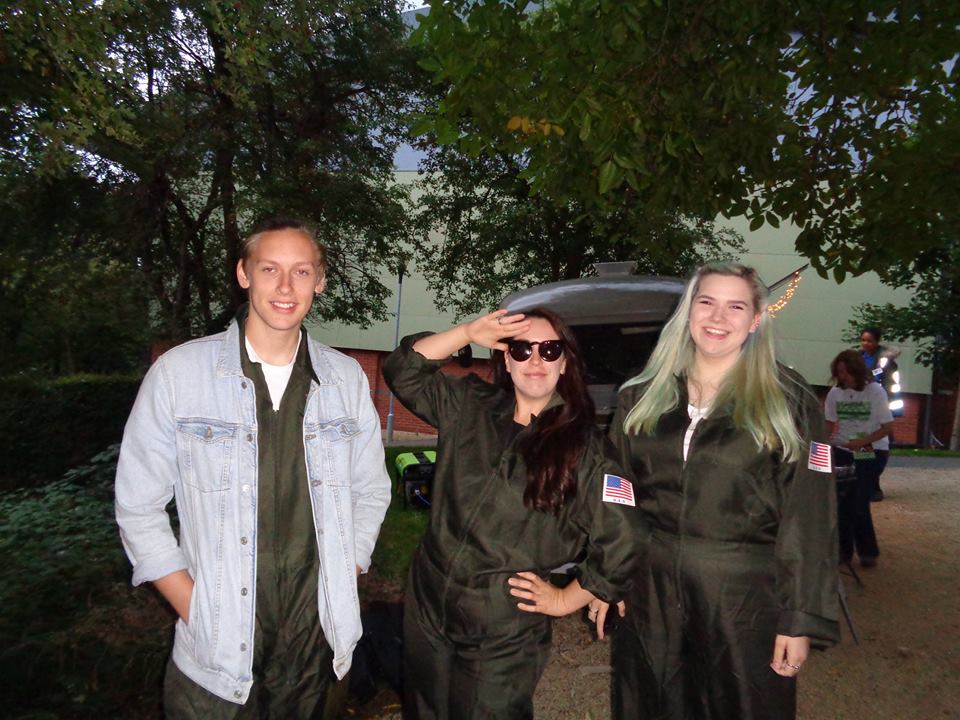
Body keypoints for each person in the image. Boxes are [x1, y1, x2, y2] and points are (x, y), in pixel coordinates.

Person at [115, 218, 391, 717]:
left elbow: (370, 490)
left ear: (319, 281)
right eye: (269, 269)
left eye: (301, 271)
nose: (285, 287)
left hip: (319, 653)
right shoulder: (179, 374)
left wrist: (346, 570)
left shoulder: (345, 378)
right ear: (244, 274)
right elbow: (137, 506)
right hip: (216, 662)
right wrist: (194, 607)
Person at [601, 262, 840, 720]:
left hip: (743, 595)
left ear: (755, 320)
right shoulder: (642, 394)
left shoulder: (787, 399)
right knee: (652, 703)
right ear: (688, 311)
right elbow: (616, 496)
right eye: (706, 302)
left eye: (735, 307)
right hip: (650, 589)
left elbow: (809, 514)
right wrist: (609, 576)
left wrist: (799, 617)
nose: (717, 317)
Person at [383, 307, 641, 720]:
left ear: (565, 363)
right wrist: (468, 332)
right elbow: (403, 370)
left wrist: (566, 598)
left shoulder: (586, 449)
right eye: (521, 349)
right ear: (506, 360)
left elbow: (624, 538)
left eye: (549, 349)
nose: (535, 359)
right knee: (424, 709)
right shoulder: (470, 404)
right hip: (429, 602)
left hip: (503, 621)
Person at [825, 349, 894, 568]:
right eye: (839, 372)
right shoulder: (835, 393)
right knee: (841, 501)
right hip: (843, 448)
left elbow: (887, 427)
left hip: (870, 448)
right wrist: (823, 443)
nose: (843, 376)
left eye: (846, 372)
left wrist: (862, 441)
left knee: (858, 500)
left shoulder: (875, 392)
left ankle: (868, 551)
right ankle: (843, 551)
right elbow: (829, 423)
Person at [859, 326, 900, 500]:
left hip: (879, 407)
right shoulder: (857, 358)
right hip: (860, 407)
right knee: (863, 443)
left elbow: (889, 382)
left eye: (870, 340)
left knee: (880, 445)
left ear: (877, 341)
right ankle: (866, 482)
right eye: (863, 340)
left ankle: (873, 482)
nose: (866, 344)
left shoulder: (885, 361)